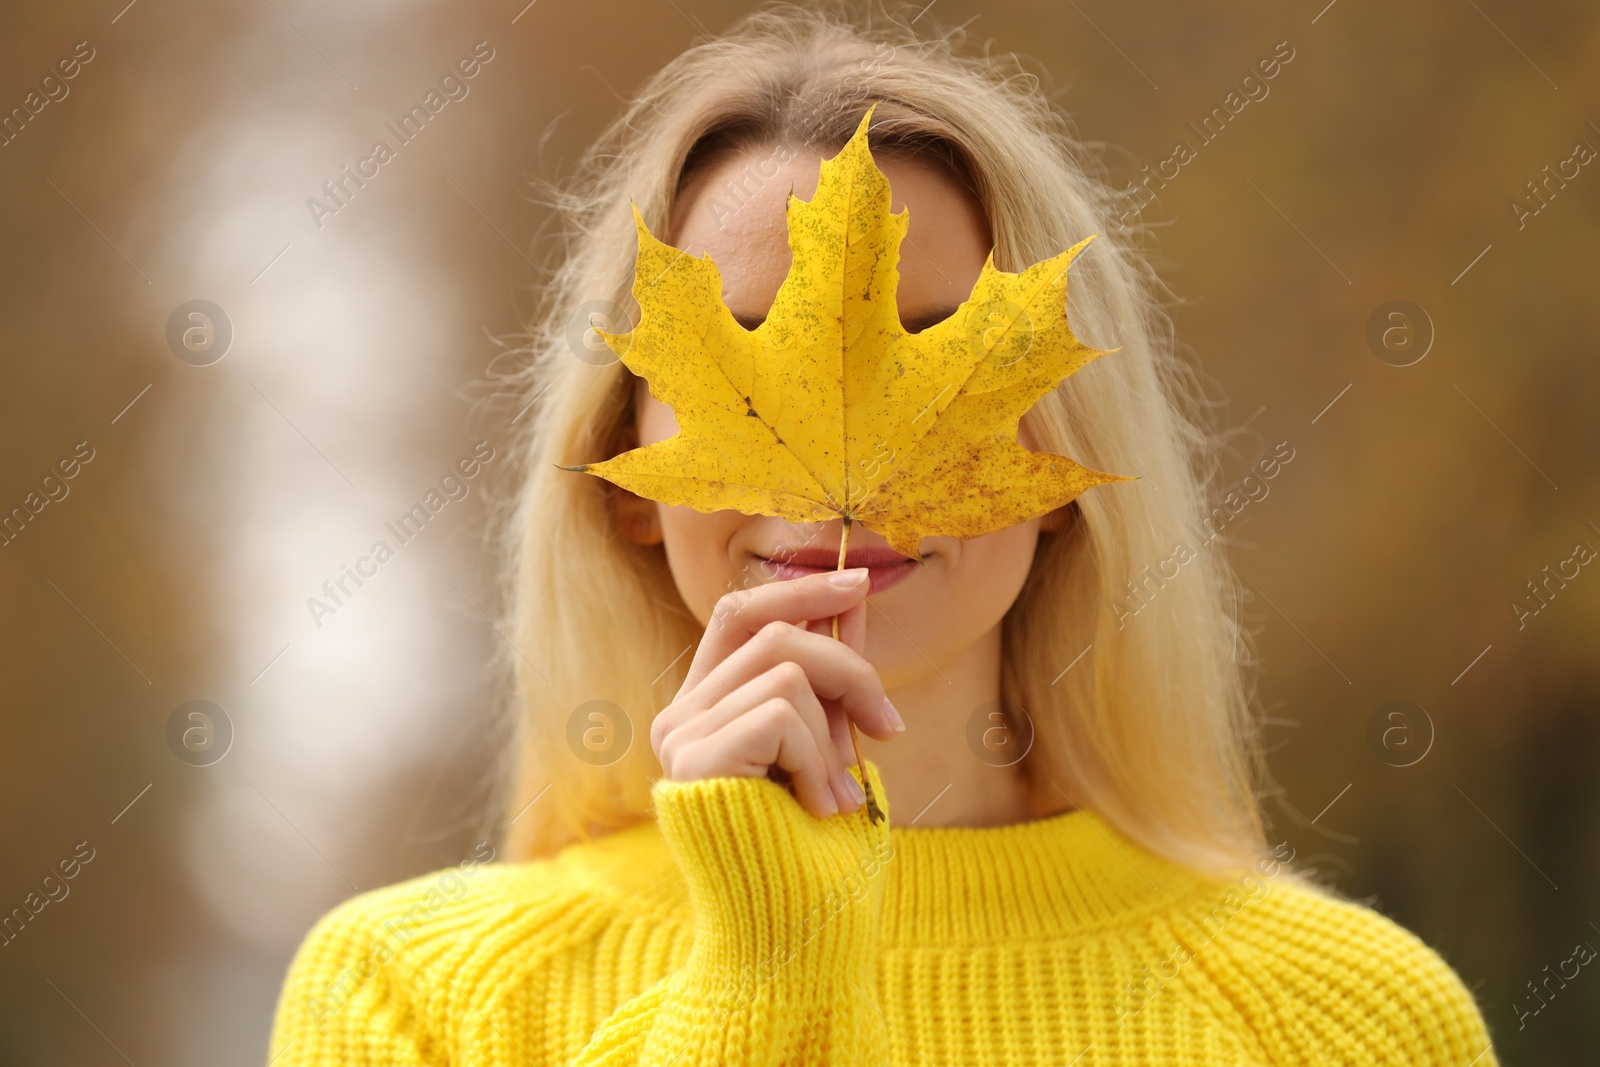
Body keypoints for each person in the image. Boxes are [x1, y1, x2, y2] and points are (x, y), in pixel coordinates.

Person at [266, 5, 1499, 1064]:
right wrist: (763, 971)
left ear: (1060, 469)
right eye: (747, 353)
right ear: (622, 480)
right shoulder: (420, 999)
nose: (851, 472)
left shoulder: (1338, 1018)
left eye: (926, 347)